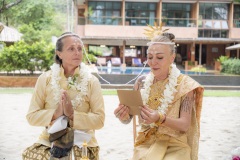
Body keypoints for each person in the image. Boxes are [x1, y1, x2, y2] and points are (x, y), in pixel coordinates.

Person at [114, 24, 204, 160]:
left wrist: (159, 119)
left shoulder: (185, 85)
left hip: (175, 145)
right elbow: (129, 120)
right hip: (146, 143)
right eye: (150, 57)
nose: (153, 62)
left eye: (159, 57)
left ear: (172, 58)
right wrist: (123, 115)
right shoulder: (141, 83)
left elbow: (185, 125)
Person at [22, 32, 105, 160]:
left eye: (79, 49)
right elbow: (31, 117)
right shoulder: (45, 79)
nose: (77, 52)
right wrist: (55, 114)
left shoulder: (92, 81)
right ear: (59, 53)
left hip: (83, 140)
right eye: (71, 49)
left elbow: (100, 120)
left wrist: (72, 115)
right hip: (50, 140)